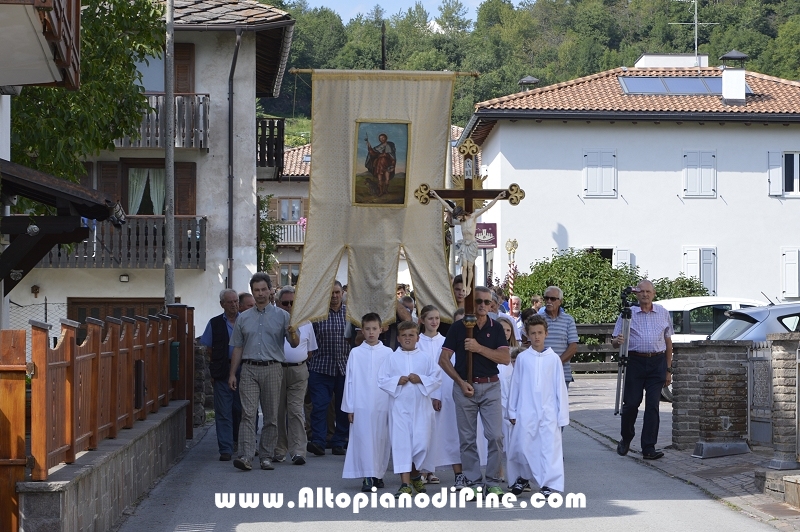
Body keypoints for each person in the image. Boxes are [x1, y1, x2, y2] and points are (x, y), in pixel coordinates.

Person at [438, 286, 510, 496]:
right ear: (472, 303)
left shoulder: (496, 328)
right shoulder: (459, 327)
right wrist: (460, 382)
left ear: (492, 305)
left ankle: (494, 480)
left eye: (487, 302)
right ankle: (473, 481)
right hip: (465, 388)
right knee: (467, 438)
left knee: (495, 436)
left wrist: (478, 348)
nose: (483, 306)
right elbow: (443, 359)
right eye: (479, 301)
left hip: (490, 387)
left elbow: (505, 358)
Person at [228, 273, 299, 472]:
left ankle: (266, 456)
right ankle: (246, 456)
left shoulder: (283, 316)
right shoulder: (243, 318)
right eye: (256, 290)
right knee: (248, 414)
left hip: (273, 368)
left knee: (271, 416)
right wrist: (233, 373)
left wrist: (293, 330)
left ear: (270, 291)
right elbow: (238, 347)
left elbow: (294, 343)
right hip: (249, 368)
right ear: (252, 292)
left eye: (263, 290)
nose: (260, 294)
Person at [507, 315, 569, 497]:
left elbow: (560, 388)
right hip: (525, 410)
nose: (536, 337)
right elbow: (515, 385)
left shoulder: (554, 359)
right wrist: (512, 410)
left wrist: (562, 414)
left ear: (546, 333)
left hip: (548, 410)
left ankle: (549, 483)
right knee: (523, 445)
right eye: (533, 333)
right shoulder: (523, 358)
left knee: (549, 448)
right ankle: (523, 476)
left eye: (540, 333)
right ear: (527, 334)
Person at [378, 321, 441, 498]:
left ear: (417, 338)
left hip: (421, 408)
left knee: (420, 444)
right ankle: (405, 483)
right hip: (399, 408)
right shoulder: (391, 358)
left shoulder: (425, 358)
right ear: (398, 338)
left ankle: (415, 473)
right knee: (402, 444)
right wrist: (396, 381)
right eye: (404, 335)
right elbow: (381, 379)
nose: (407, 338)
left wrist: (420, 379)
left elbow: (437, 378)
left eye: (411, 335)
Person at [612, 280, 673, 460]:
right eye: (641, 292)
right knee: (631, 404)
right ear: (636, 294)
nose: (645, 294)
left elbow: (669, 342)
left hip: (657, 362)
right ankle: (626, 437)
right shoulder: (628, 313)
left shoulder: (662, 312)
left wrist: (668, 369)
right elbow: (614, 341)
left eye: (648, 291)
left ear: (653, 293)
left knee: (653, 405)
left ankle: (649, 447)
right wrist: (618, 342)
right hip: (635, 361)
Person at [342, 313, 393, 492]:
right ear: (362, 331)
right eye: (368, 329)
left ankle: (378, 473)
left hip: (382, 403)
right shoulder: (356, 353)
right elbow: (349, 380)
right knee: (364, 438)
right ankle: (367, 476)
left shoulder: (388, 353)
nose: (371, 333)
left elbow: (392, 379)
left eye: (374, 329)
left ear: (381, 329)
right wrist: (349, 406)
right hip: (361, 403)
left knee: (381, 439)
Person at [429, 190, 507, 296]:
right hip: (464, 244)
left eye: (459, 217)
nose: (458, 219)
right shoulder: (461, 220)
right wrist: (436, 196)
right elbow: (446, 204)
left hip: (472, 245)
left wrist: (498, 197)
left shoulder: (473, 217)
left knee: (470, 267)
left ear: (462, 214)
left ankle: (468, 286)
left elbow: (487, 207)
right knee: (463, 266)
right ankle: (464, 287)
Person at [417, 305, 460, 485]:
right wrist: (432, 393)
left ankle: (433, 469)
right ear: (422, 320)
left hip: (445, 393)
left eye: (437, 318)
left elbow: (447, 369)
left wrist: (440, 394)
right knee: (424, 432)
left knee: (444, 432)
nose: (434, 322)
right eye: (430, 319)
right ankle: (423, 469)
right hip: (423, 394)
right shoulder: (417, 342)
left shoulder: (446, 341)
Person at [274, 286, 317, 466]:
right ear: (277, 303)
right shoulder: (273, 320)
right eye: (285, 303)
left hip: (299, 370)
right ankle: (279, 449)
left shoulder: (306, 323)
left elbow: (310, 351)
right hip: (276, 369)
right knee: (277, 411)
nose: (290, 306)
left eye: (293, 302)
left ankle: (299, 450)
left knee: (296, 410)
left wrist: (296, 361)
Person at [307, 281, 350, 456]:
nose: (334, 296)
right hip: (320, 367)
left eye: (337, 292)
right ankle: (318, 441)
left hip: (344, 368)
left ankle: (339, 441)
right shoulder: (317, 314)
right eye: (331, 293)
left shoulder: (350, 313)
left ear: (342, 293)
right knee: (319, 406)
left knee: (342, 408)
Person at [199, 289, 242, 461]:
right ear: (222, 304)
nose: (234, 305)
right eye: (230, 302)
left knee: (240, 409)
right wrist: (216, 366)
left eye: (236, 301)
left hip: (244, 369)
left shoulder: (245, 320)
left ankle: (239, 441)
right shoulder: (215, 323)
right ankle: (226, 448)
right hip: (223, 369)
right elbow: (208, 347)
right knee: (223, 410)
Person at [538, 286, 579, 390]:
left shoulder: (568, 320)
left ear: (560, 301)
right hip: (541, 371)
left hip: (562, 372)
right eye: (546, 298)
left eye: (552, 299)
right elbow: (530, 343)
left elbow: (573, 346)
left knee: (560, 405)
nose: (548, 301)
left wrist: (556, 363)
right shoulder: (537, 319)